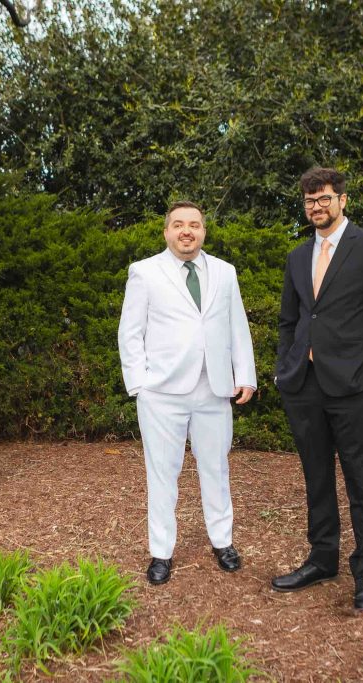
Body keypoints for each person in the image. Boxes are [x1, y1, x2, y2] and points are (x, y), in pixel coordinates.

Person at [271, 167, 363, 611]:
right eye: (310, 200)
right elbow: (291, 321)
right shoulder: (296, 258)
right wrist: (284, 368)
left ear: (343, 200)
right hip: (305, 387)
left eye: (325, 198)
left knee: (362, 485)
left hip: (355, 387)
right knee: (316, 478)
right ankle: (322, 557)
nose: (317, 206)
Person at [118, 200, 257, 585]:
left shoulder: (225, 273)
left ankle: (222, 540)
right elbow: (130, 332)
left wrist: (245, 374)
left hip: (214, 389)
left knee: (216, 466)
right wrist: (139, 385)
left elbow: (237, 326)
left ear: (203, 231)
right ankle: (161, 552)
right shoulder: (145, 273)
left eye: (194, 225)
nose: (186, 231)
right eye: (178, 224)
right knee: (163, 473)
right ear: (166, 231)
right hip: (162, 392)